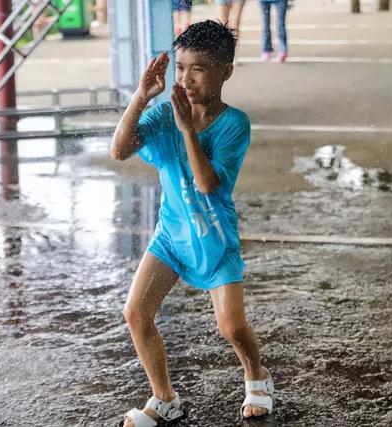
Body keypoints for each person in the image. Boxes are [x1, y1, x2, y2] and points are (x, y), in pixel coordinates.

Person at [110, 20, 274, 427]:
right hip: (172, 235)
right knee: (136, 312)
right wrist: (141, 97)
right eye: (180, 68)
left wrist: (186, 128)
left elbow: (205, 183)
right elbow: (119, 150)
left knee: (232, 327)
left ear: (224, 72)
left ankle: (257, 374)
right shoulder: (164, 113)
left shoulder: (234, 124)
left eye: (197, 69)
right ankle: (164, 399)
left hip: (215, 239)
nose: (185, 79)